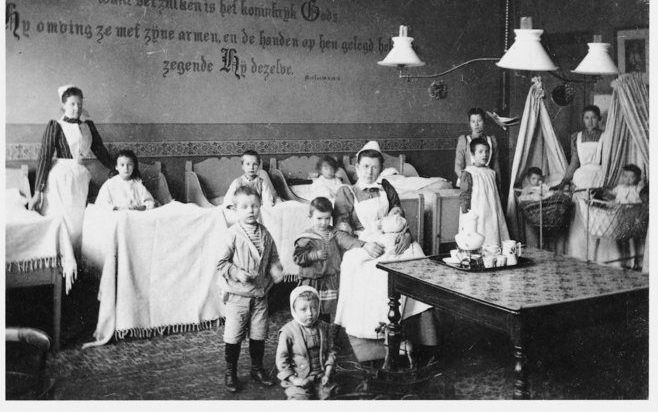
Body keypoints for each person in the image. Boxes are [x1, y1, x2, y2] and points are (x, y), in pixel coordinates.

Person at [333, 141, 438, 364]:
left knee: (415, 255)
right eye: (365, 166)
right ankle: (380, 341)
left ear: (380, 168)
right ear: (357, 166)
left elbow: (399, 219)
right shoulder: (347, 192)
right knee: (376, 272)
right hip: (364, 243)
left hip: (393, 238)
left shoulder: (387, 187)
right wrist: (364, 246)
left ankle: (419, 336)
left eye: (374, 167)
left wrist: (407, 234)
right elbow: (340, 234)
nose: (369, 172)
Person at [28, 85, 114, 252]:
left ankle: (75, 268)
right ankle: (59, 268)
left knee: (77, 223)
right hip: (60, 178)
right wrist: (38, 191)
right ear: (64, 105)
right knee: (62, 220)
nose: (77, 108)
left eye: (79, 104)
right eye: (73, 104)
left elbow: (100, 151)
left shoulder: (88, 126)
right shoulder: (56, 126)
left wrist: (114, 168)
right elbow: (44, 158)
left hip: (80, 178)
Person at [217, 186, 284, 393]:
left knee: (259, 334)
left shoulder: (265, 234)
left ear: (260, 207)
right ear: (236, 210)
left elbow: (273, 257)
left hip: (260, 295)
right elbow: (221, 263)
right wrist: (237, 273)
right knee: (233, 335)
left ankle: (257, 368)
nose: (251, 210)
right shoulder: (232, 234)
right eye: (245, 207)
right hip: (238, 296)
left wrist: (276, 269)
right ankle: (231, 371)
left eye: (254, 206)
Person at [293, 197, 370, 323]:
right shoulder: (306, 238)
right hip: (313, 280)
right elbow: (297, 257)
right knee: (311, 311)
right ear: (310, 217)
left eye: (327, 218)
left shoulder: (335, 233)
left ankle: (327, 336)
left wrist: (364, 245)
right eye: (319, 218)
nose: (323, 223)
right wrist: (314, 255)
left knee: (328, 312)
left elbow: (348, 241)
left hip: (330, 281)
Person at [276, 286, 337, 400]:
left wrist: (327, 374)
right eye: (303, 309)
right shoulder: (288, 332)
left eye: (313, 308)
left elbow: (331, 351)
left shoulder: (325, 327)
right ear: (294, 310)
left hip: (321, 376)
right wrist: (294, 379)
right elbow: (282, 360)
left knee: (328, 398)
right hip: (298, 378)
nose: (310, 313)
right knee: (299, 399)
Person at [459, 137, 510, 247]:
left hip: (492, 211)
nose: (484, 155)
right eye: (480, 152)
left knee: (493, 232)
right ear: (472, 154)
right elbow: (465, 194)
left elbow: (495, 194)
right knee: (478, 233)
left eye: (487, 152)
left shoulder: (491, 173)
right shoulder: (469, 173)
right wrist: (466, 213)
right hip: (477, 211)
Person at [555, 105, 604, 190]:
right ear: (583, 119)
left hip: (599, 176)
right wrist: (564, 180)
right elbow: (574, 163)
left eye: (594, 118)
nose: (590, 121)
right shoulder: (576, 137)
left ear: (599, 119)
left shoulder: (605, 136)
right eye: (587, 118)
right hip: (582, 176)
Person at [454, 107, 500, 188]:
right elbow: (458, 167)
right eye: (473, 121)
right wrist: (466, 182)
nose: (476, 124)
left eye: (479, 121)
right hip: (470, 182)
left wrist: (498, 186)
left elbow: (496, 166)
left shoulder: (491, 140)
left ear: (484, 122)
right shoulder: (464, 140)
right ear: (469, 123)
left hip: (488, 180)